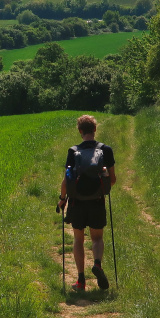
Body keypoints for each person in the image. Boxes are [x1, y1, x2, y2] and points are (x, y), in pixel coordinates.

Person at [58, 114, 116, 292]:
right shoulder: (106, 150)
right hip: (97, 200)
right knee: (97, 238)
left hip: (77, 203)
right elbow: (112, 179)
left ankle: (81, 280)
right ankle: (97, 264)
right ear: (95, 129)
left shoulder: (73, 151)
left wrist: (62, 199)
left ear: (80, 131)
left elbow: (66, 181)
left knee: (78, 239)